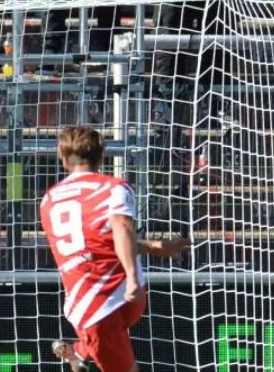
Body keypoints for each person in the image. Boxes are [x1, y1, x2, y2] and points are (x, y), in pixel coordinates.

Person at [39, 126, 190, 372]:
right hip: (109, 301)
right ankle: (79, 351)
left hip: (92, 302)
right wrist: (131, 276)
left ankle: (78, 351)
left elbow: (96, 243)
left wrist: (151, 247)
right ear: (102, 157)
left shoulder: (49, 199)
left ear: (63, 159)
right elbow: (121, 228)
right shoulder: (113, 188)